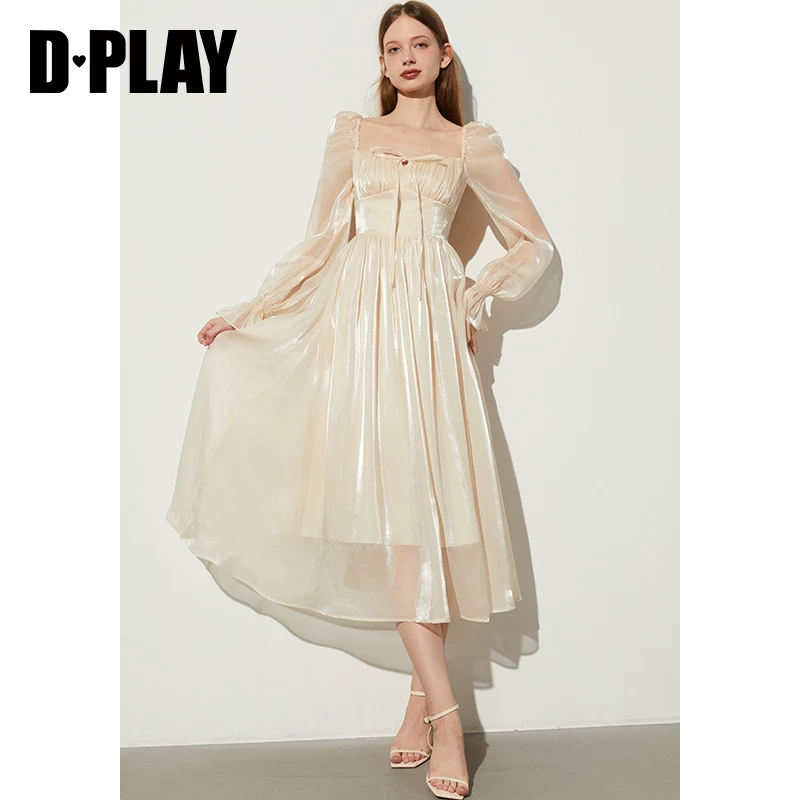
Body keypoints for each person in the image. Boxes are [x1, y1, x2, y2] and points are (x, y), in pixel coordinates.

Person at [166, 3, 554, 797]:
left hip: (429, 337)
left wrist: (472, 296)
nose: (406, 57)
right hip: (362, 328)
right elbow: (321, 242)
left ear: (444, 56)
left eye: (419, 44)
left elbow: (534, 243)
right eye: (393, 47)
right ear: (381, 62)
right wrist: (254, 311)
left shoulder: (469, 147)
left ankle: (423, 708)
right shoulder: (353, 136)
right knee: (392, 522)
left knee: (426, 521)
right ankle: (448, 716)